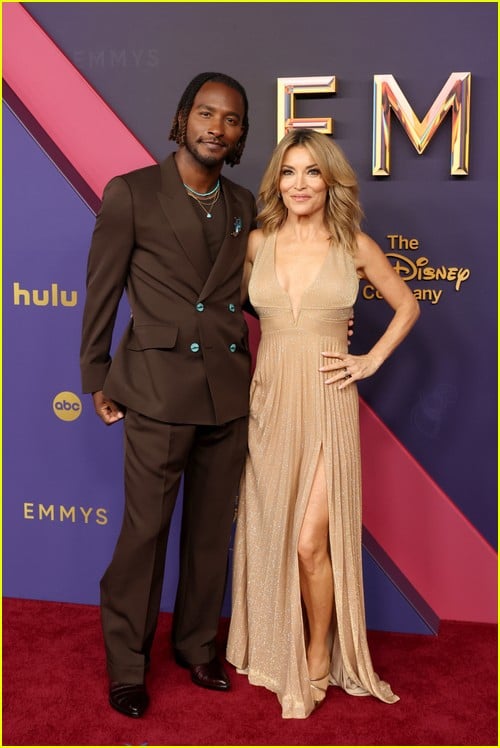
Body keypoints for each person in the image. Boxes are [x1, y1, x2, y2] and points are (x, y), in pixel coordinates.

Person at [226, 129, 420, 719]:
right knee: (270, 531)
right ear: (276, 182)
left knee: (312, 541)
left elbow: (406, 304)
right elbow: (226, 315)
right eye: (289, 172)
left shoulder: (353, 244)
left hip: (330, 401)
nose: (300, 184)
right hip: (270, 402)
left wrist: (369, 359)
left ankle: (317, 652)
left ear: (331, 180)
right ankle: (270, 639)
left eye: (313, 172)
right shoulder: (257, 242)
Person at [80, 72, 256, 718]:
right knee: (145, 534)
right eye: (206, 113)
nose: (216, 127)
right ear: (182, 119)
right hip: (154, 391)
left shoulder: (243, 206)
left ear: (240, 135)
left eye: (231, 119)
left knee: (211, 534)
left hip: (227, 392)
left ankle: (196, 645)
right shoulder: (131, 194)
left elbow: (254, 293)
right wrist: (94, 373)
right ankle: (127, 664)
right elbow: (101, 290)